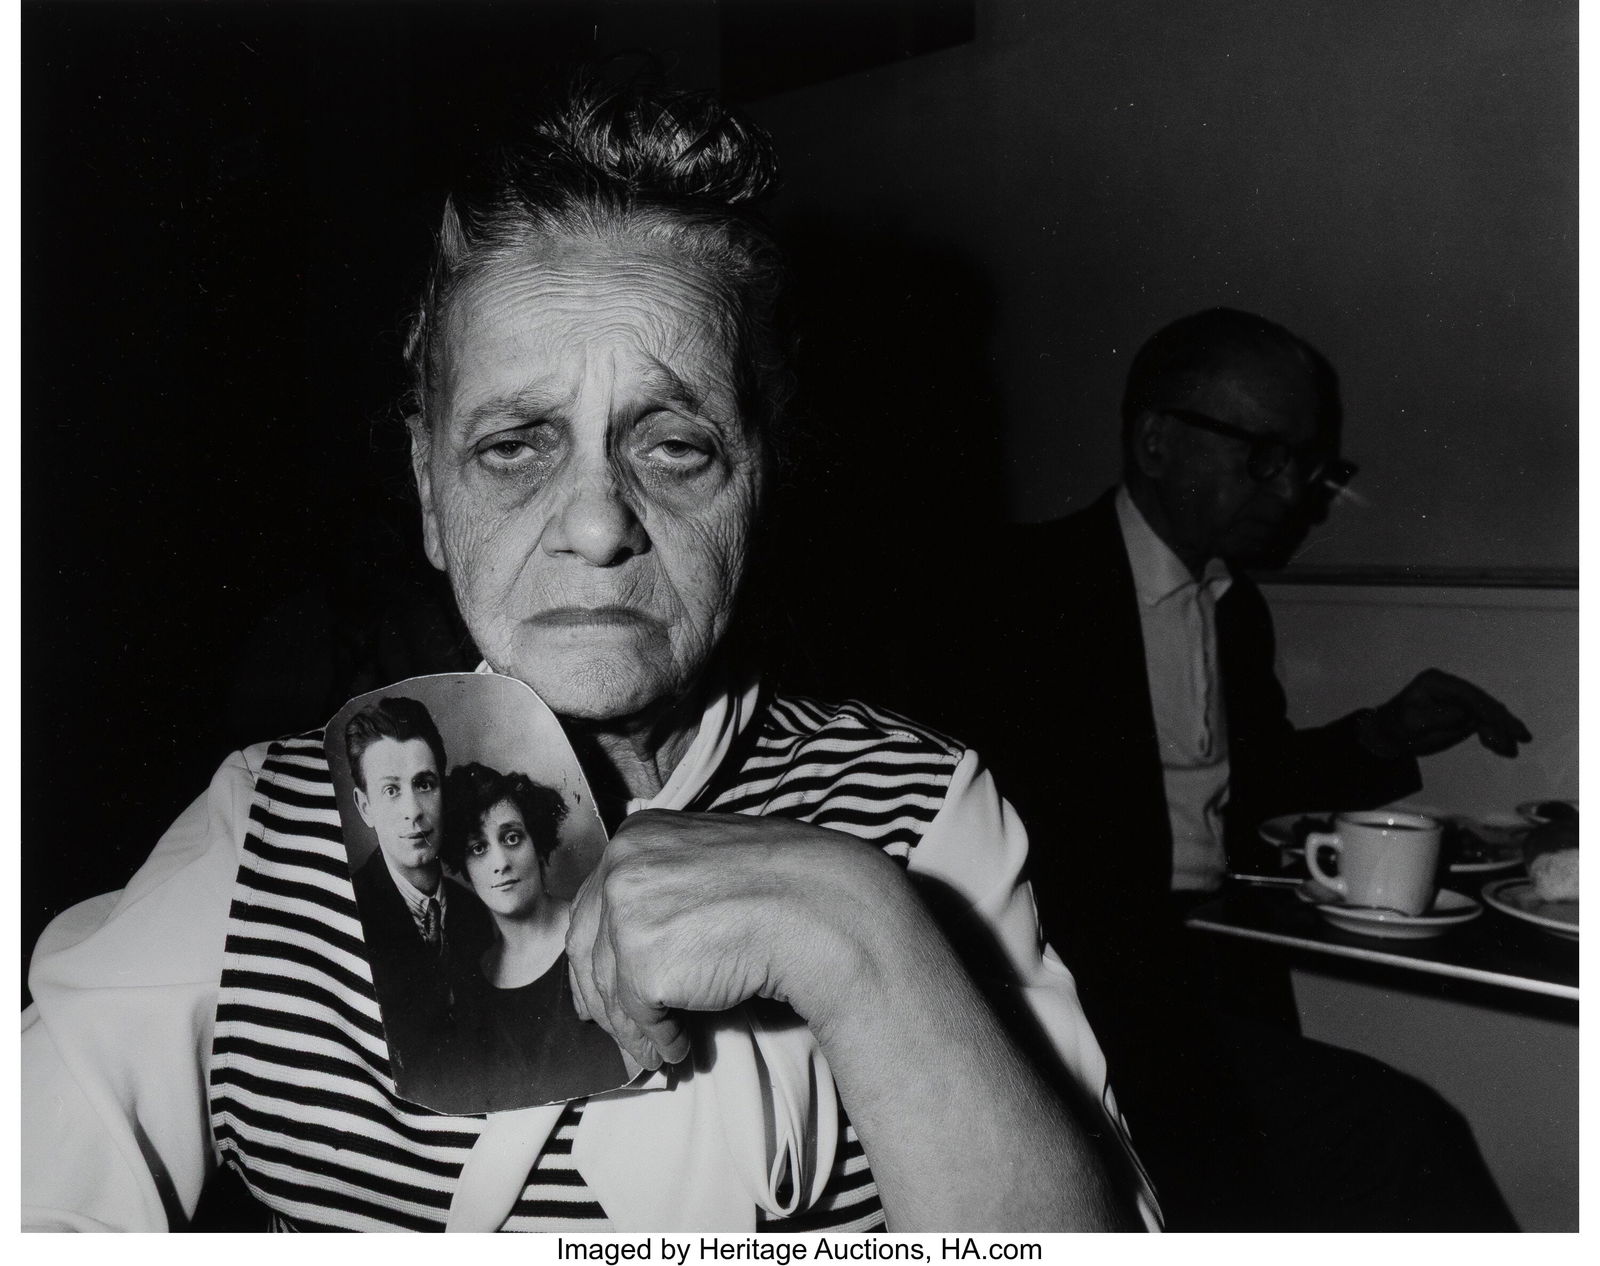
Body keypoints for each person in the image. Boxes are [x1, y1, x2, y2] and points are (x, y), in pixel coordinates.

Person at [21, 77, 1156, 1232]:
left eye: (673, 446)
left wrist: (858, 933)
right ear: (429, 490)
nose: (599, 522)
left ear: (757, 486)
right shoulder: (261, 826)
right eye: (515, 445)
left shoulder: (924, 813)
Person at [958, 307, 1525, 1229]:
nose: (1295, 490)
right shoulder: (1018, 592)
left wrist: (1386, 735)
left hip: (1219, 970)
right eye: (1267, 456)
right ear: (1154, 442)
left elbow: (1252, 794)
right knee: (1403, 1135)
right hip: (1086, 997)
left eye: (1307, 465)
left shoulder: (1232, 607)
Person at [430, 762, 630, 1114]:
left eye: (511, 838)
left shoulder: (593, 933)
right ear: (462, 866)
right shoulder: (475, 976)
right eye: (478, 848)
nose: (500, 863)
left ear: (537, 843)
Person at [344, 696, 492, 1097]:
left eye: (424, 784)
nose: (413, 811)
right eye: (391, 791)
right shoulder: (346, 910)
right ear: (365, 806)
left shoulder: (480, 913)